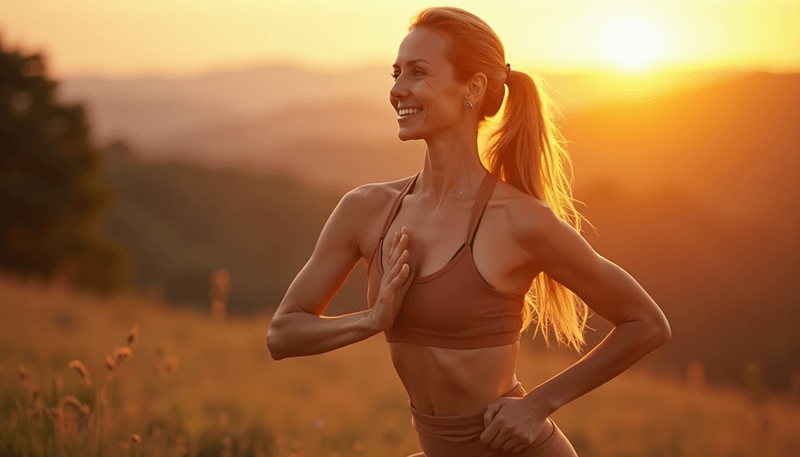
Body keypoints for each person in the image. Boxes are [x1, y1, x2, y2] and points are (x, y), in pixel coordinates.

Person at [267, 6, 671, 456]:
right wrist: (372, 320)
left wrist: (537, 405)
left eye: (418, 72)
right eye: (396, 72)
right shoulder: (365, 210)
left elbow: (647, 324)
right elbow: (283, 335)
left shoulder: (520, 221)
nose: (397, 89)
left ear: (473, 89)